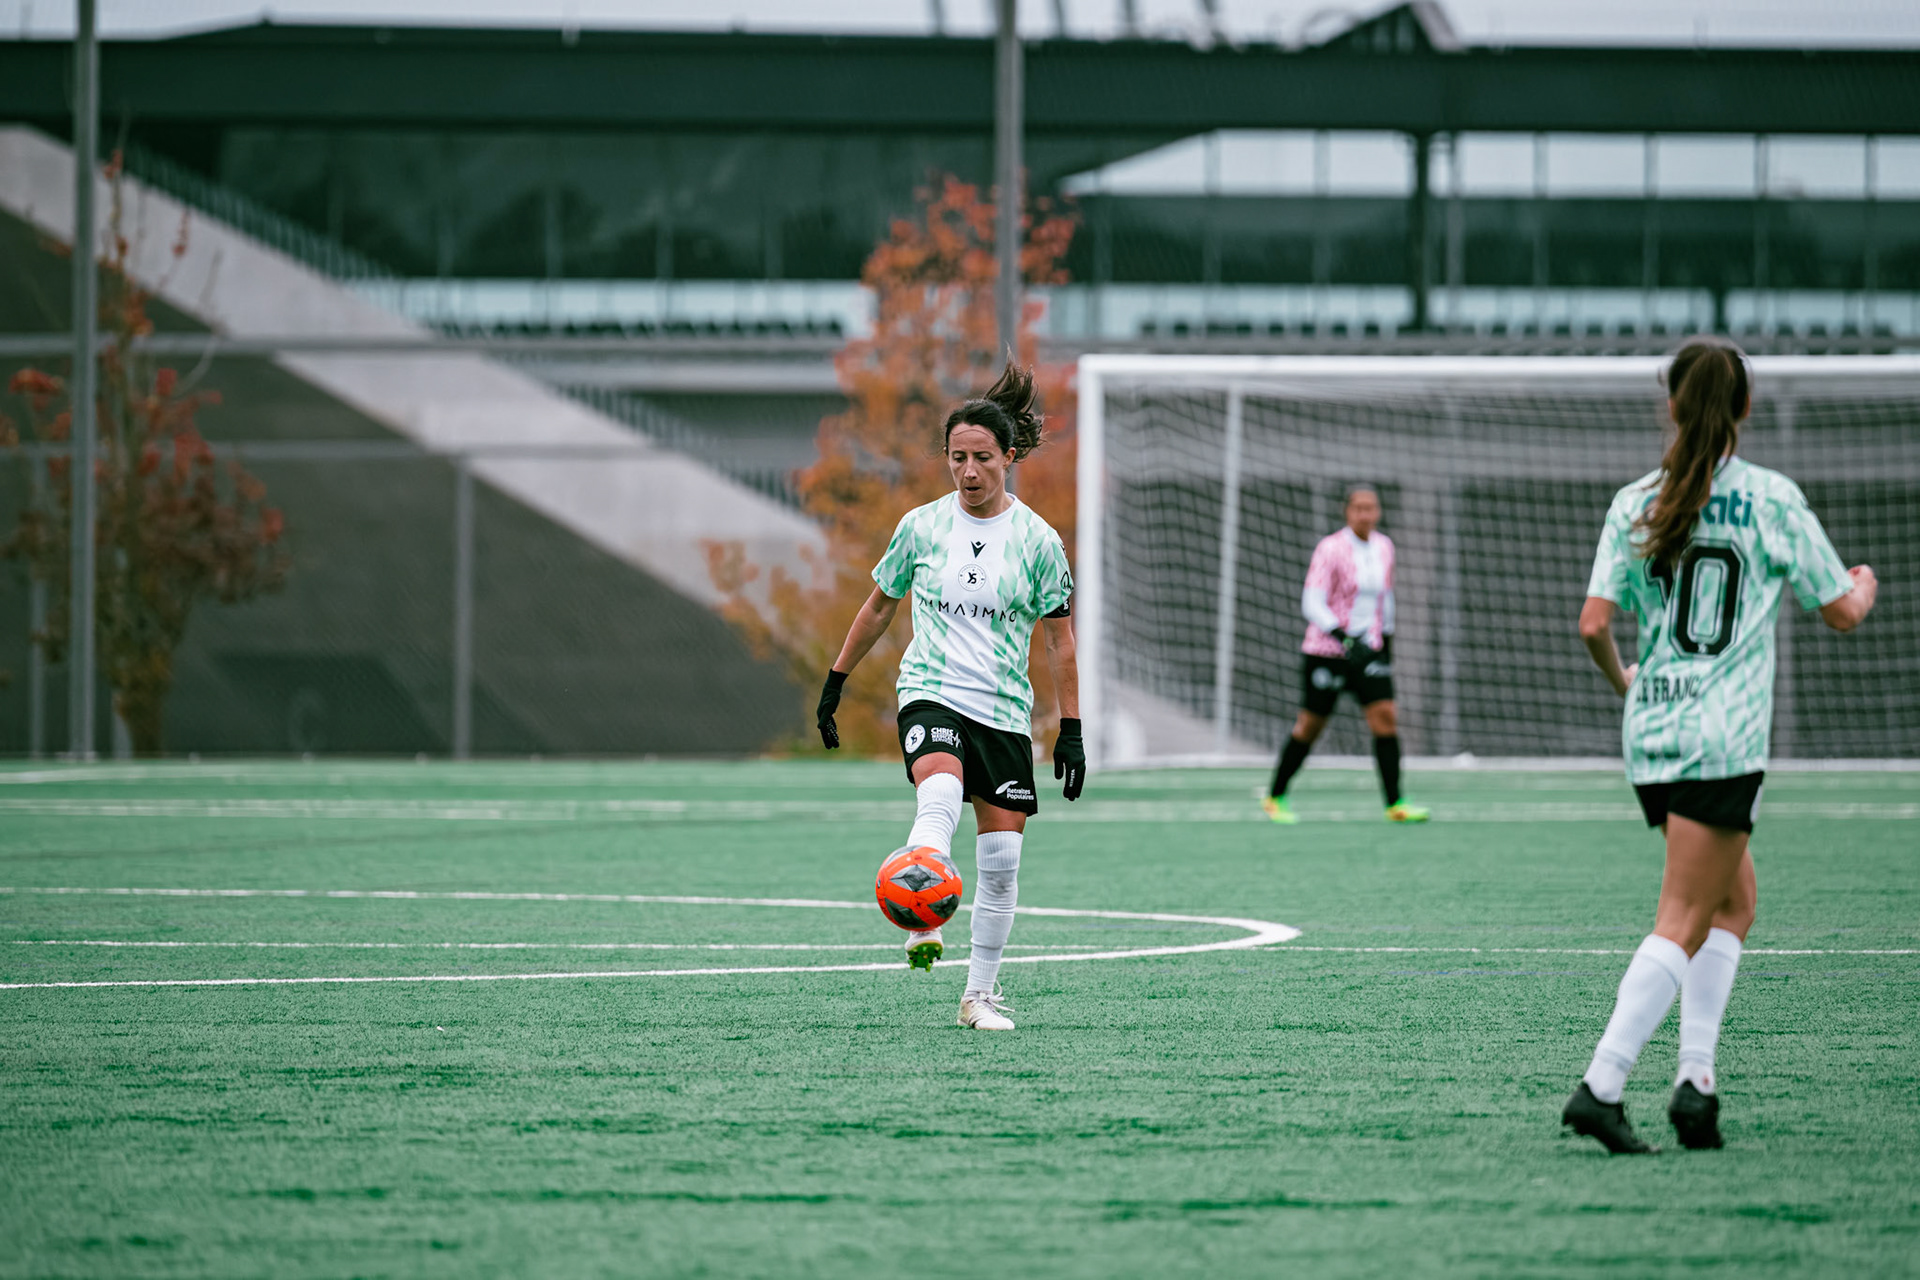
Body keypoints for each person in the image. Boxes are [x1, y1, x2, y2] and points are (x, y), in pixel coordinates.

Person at [1563, 337, 1877, 1153]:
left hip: (1654, 729)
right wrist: (1866, 585)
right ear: (1744, 408)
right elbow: (1840, 610)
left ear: (1670, 405)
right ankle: (1601, 1085)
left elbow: (1595, 625)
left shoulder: (1636, 500)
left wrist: (1628, 683)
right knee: (1685, 915)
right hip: (1721, 737)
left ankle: (1696, 1087)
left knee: (1734, 902)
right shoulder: (1769, 499)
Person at [814, 362, 1083, 1032]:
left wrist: (1071, 728)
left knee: (1001, 861)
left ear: (1009, 457)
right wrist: (837, 680)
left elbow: (1060, 643)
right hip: (930, 690)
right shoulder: (920, 528)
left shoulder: (1040, 543)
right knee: (937, 793)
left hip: (1002, 710)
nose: (968, 472)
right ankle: (921, 907)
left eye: (982, 459)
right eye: (957, 457)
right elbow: (880, 606)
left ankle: (978, 997)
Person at [1261, 486, 1429, 824]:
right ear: (1347, 511)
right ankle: (1275, 795)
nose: (1365, 514)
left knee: (1385, 719)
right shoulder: (1331, 548)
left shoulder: (1384, 547)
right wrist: (1344, 639)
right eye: (1358, 508)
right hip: (1328, 652)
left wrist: (1386, 642)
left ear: (1378, 511)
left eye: (1371, 507)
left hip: (1370, 652)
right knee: (1310, 725)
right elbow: (1312, 602)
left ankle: (1395, 803)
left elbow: (1386, 599)